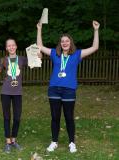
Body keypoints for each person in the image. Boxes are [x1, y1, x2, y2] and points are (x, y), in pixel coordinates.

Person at [37, 20, 100, 153]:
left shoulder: (77, 54)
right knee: (55, 117)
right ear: (60, 44)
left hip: (69, 91)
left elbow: (95, 48)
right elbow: (40, 46)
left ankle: (72, 142)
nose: (64, 43)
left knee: (69, 117)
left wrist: (96, 30)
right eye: (62, 41)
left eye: (67, 41)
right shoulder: (55, 53)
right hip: (54, 89)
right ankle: (54, 142)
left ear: (70, 42)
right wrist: (39, 29)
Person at [0, 38, 41, 153]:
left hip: (18, 93)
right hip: (5, 92)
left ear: (16, 46)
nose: (11, 47)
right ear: (6, 48)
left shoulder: (22, 59)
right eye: (9, 46)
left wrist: (38, 55)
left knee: (17, 118)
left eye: (13, 45)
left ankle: (14, 140)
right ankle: (7, 142)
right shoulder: (4, 60)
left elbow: (35, 62)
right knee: (7, 117)